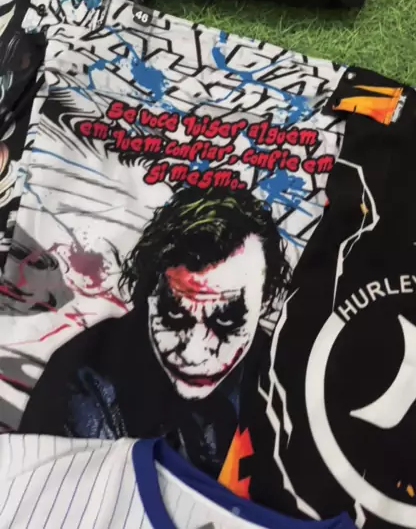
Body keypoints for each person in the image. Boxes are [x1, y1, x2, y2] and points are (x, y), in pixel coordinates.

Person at [20, 186, 290, 476]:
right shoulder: (82, 383)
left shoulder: (285, 380)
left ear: (266, 301)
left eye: (226, 320)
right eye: (174, 315)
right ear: (148, 296)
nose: (195, 352)